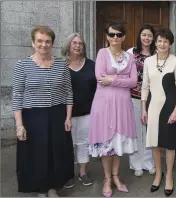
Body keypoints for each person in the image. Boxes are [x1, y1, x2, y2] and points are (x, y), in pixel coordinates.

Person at [12, 25, 74, 197]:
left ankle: (53, 187)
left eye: (47, 41)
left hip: (57, 114)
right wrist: (19, 124)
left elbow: (68, 92)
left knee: (56, 152)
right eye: (39, 41)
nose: (44, 45)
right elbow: (17, 95)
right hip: (33, 116)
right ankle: (40, 189)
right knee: (37, 154)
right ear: (33, 43)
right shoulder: (22, 65)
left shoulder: (62, 65)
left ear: (52, 44)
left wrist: (68, 117)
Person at [88, 22, 138, 197]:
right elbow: (99, 77)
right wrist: (121, 77)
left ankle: (116, 176)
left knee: (118, 144)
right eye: (111, 34)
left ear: (124, 37)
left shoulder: (129, 57)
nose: (115, 38)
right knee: (106, 144)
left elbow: (133, 81)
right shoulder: (102, 53)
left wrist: (113, 79)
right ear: (107, 36)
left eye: (118, 34)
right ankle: (107, 179)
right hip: (104, 105)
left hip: (123, 105)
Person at [141, 28, 176, 197]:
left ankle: (169, 176)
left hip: (170, 107)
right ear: (155, 42)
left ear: (170, 44)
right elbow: (145, 86)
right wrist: (144, 108)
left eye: (165, 41)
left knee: (169, 144)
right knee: (155, 142)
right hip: (152, 107)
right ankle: (159, 174)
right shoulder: (148, 62)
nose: (162, 44)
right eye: (159, 40)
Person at [61, 33, 96, 187]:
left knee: (83, 143)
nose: (77, 46)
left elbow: (98, 89)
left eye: (80, 43)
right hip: (65, 114)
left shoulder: (91, 65)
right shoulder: (60, 66)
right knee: (67, 144)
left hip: (87, 112)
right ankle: (68, 174)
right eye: (74, 43)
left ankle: (82, 173)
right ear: (68, 45)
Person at [126, 24, 156, 177]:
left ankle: (148, 162)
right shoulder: (131, 52)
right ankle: (136, 163)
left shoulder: (157, 54)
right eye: (144, 35)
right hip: (134, 97)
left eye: (150, 35)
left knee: (150, 132)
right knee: (136, 132)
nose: (146, 38)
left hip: (152, 98)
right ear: (139, 36)